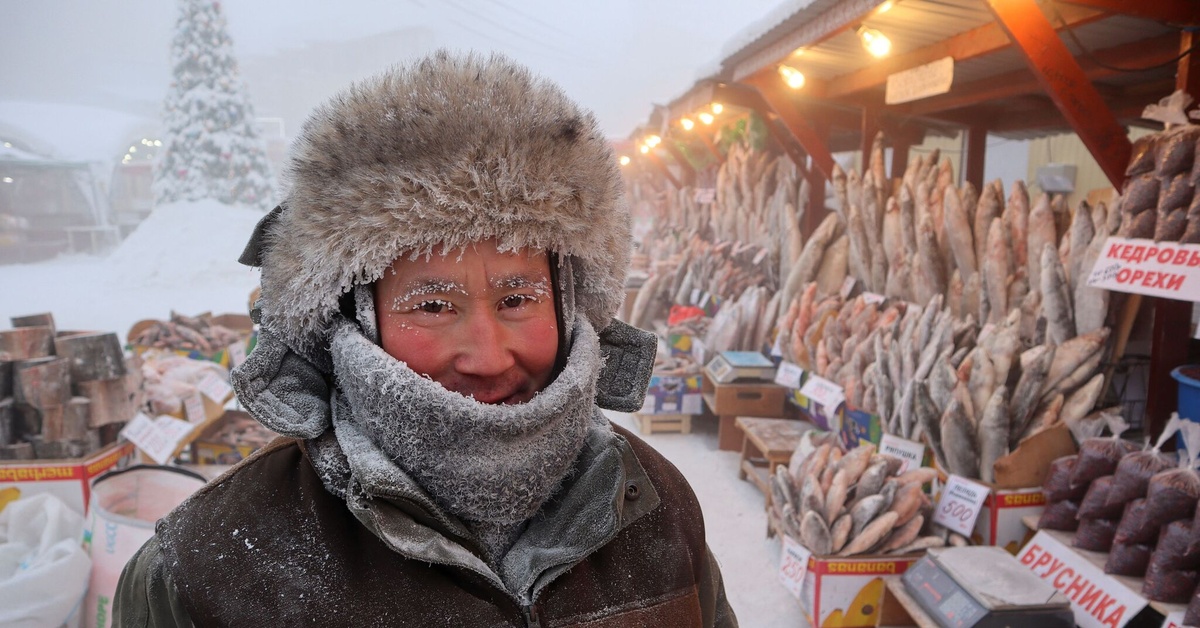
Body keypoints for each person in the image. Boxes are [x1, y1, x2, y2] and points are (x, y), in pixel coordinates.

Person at [114, 50, 737, 627]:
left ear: (571, 301)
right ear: (355, 317)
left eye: (518, 299)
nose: (488, 356)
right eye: (433, 306)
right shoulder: (204, 570)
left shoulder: (658, 510)